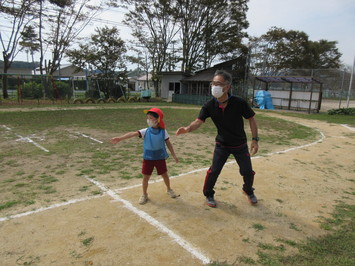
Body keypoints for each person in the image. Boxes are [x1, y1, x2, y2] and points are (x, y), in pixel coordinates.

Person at [176, 70, 259, 208]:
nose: (214, 86)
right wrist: (187, 128)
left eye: (218, 84)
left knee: (247, 172)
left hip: (240, 145)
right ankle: (209, 194)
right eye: (213, 83)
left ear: (227, 86)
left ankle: (248, 191)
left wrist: (255, 139)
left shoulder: (239, 103)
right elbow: (198, 121)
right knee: (214, 170)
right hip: (222, 145)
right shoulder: (209, 105)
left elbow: (252, 119)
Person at [110, 108, 179, 204]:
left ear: (157, 120)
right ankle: (144, 194)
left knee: (165, 175)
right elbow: (133, 134)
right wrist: (120, 138)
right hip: (148, 158)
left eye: (151, 118)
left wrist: (174, 155)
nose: (148, 120)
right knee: (146, 177)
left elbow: (168, 144)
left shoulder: (163, 132)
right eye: (148, 118)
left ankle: (169, 189)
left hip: (159, 157)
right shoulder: (146, 131)